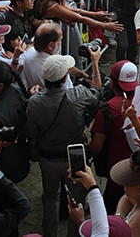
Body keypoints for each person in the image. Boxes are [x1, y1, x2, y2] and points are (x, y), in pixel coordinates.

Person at [25, 52, 103, 237]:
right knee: (77, 199)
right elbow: (98, 92)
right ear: (65, 76)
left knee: (50, 197)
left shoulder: (34, 102)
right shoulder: (78, 95)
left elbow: (31, 132)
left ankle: (49, 233)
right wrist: (95, 63)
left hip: (47, 157)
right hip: (74, 156)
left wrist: (34, 98)